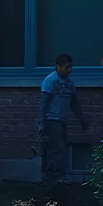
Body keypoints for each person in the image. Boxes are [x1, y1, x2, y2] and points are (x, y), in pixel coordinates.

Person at [39, 54, 87, 184]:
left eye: (71, 67)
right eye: (67, 67)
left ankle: (53, 176)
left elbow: (74, 103)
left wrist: (81, 119)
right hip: (52, 120)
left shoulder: (69, 83)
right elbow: (44, 104)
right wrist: (42, 124)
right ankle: (56, 177)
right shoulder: (50, 80)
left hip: (62, 120)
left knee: (59, 148)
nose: (70, 70)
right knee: (57, 149)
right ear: (58, 67)